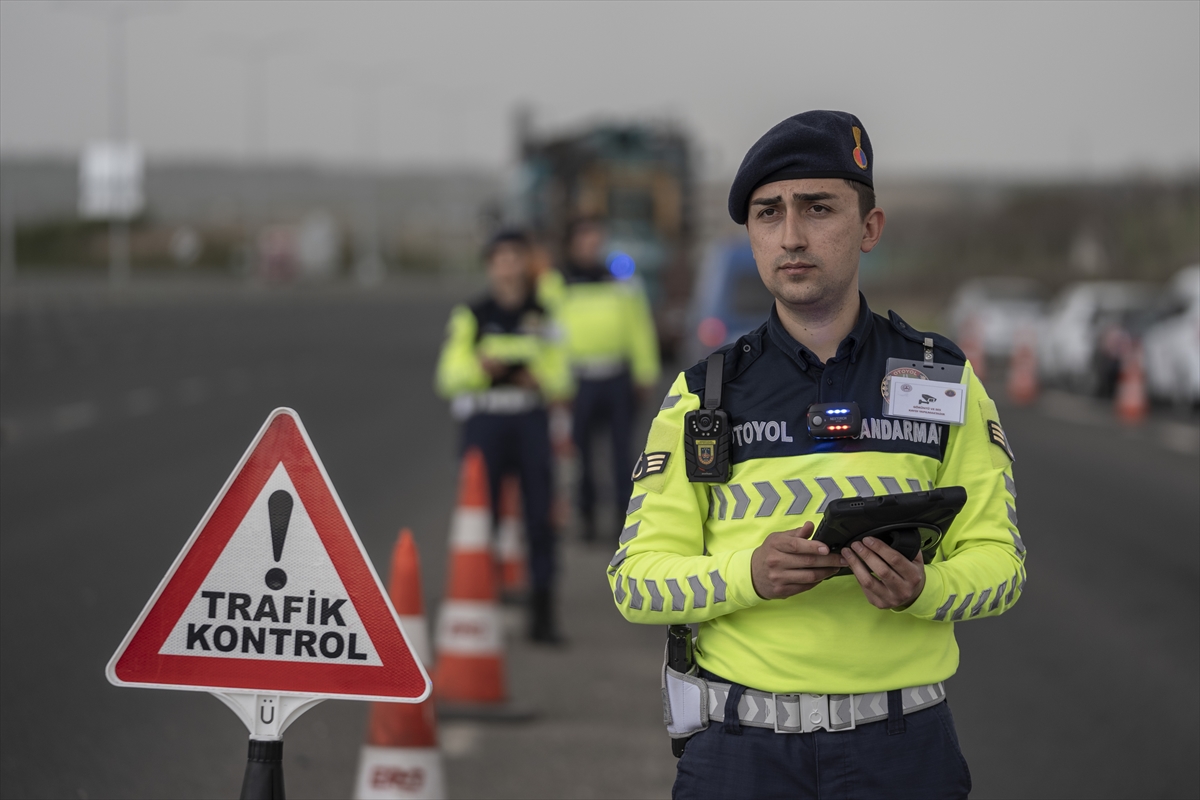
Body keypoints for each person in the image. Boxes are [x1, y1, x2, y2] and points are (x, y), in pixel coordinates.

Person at [607, 111, 1025, 798]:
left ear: (869, 228)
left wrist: (927, 590)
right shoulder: (703, 395)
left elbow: (1002, 564)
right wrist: (750, 573)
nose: (792, 235)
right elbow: (635, 582)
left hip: (905, 752)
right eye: (769, 213)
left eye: (818, 208)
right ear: (750, 232)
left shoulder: (944, 382)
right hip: (740, 755)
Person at [435, 229, 571, 643]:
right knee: (481, 521)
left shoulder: (545, 316)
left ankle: (543, 615)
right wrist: (483, 370)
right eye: (501, 258)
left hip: (529, 420)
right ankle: (480, 607)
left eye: (516, 258)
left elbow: (563, 375)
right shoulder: (472, 315)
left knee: (540, 520)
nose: (508, 267)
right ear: (490, 265)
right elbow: (448, 378)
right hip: (486, 423)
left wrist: (538, 379)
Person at [541, 217, 661, 543]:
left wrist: (645, 372)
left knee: (623, 453)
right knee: (580, 455)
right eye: (585, 239)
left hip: (617, 377)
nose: (592, 245)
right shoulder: (556, 284)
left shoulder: (621, 280)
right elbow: (548, 338)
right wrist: (556, 384)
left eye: (597, 239)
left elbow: (639, 328)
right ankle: (587, 517)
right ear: (573, 243)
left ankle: (624, 520)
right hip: (577, 382)